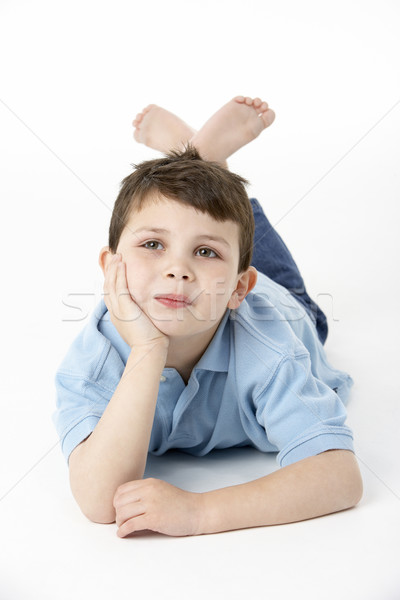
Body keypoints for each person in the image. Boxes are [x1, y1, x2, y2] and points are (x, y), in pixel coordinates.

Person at [53, 96, 363, 538]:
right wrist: (147, 348)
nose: (177, 269)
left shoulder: (271, 351)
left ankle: (204, 164)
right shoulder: (96, 355)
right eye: (153, 245)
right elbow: (100, 500)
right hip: (224, 289)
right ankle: (202, 166)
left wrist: (201, 512)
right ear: (110, 268)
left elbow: (340, 477)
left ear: (239, 288)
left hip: (285, 306)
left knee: (250, 238)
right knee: (216, 220)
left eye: (204, 252)